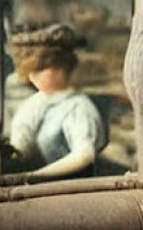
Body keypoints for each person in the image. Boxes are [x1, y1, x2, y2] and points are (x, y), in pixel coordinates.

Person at [6, 23, 107, 178]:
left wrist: (36, 176)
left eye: (40, 70)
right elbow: (23, 137)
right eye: (30, 71)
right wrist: (12, 153)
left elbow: (84, 155)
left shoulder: (78, 107)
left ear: (61, 68)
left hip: (78, 186)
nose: (32, 76)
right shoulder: (36, 102)